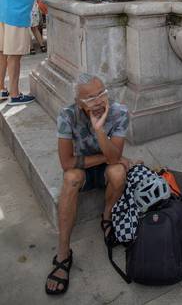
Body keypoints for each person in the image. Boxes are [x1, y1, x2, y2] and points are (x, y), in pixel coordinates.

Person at [45, 74, 130, 295]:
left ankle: (107, 216)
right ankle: (63, 253)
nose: (100, 100)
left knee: (118, 172)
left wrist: (99, 129)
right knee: (71, 178)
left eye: (102, 93)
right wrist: (110, 157)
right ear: (80, 102)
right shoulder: (67, 115)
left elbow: (114, 161)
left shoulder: (120, 112)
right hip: (81, 169)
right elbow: (66, 163)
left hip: (105, 170)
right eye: (92, 97)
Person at [0, 0, 104, 105]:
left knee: (2, 53)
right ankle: (15, 95)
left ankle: (1, 90)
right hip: (16, 16)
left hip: (1, 12)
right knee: (14, 56)